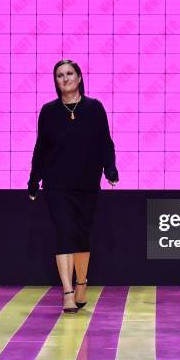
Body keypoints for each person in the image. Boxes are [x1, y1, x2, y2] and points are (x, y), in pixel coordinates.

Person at [27, 59, 118, 313]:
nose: (65, 78)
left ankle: (81, 283)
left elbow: (104, 143)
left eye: (69, 73)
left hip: (87, 182)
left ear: (79, 78)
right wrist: (34, 180)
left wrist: (110, 169)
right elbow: (41, 149)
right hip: (56, 184)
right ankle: (67, 293)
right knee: (65, 232)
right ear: (55, 81)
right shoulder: (48, 111)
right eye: (59, 75)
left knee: (80, 235)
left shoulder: (94, 108)